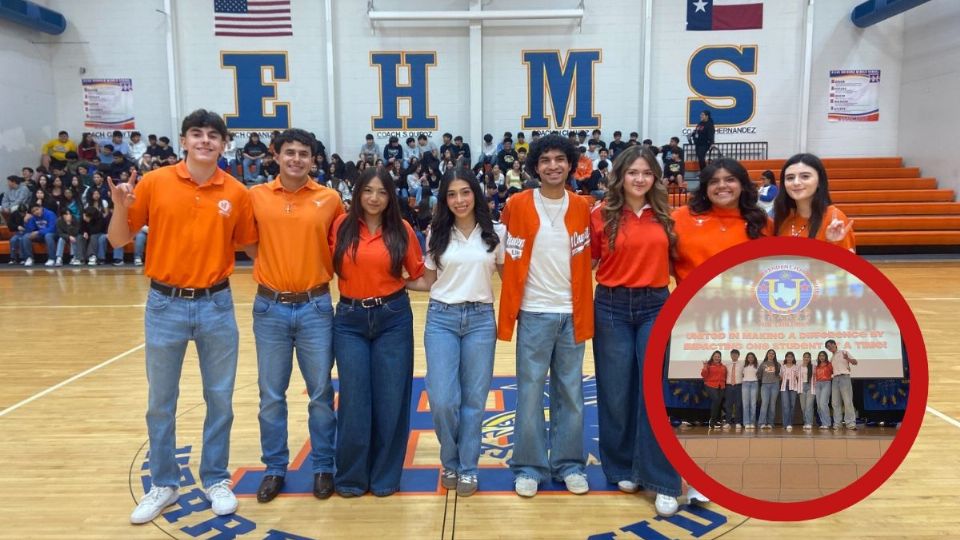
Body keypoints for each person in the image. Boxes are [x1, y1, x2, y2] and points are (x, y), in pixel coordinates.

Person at [109, 109, 258, 525]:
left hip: (216, 303)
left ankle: (215, 479)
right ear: (184, 140)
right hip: (165, 303)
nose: (205, 141)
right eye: (197, 134)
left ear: (224, 144)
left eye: (213, 135)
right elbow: (119, 238)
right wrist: (120, 205)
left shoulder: (237, 192)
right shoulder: (155, 183)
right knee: (161, 401)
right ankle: (164, 483)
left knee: (220, 397)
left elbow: (253, 248)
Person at [246, 129, 344, 503]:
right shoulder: (256, 197)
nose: (297, 159)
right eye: (290, 153)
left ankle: (323, 466)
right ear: (276, 155)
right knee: (271, 395)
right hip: (269, 306)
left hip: (316, 306)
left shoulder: (330, 199)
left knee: (320, 393)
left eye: (304, 153)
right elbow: (248, 243)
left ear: (313, 160)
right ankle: (274, 468)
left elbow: (339, 246)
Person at [589, 145, 684, 516]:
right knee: (615, 391)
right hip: (610, 306)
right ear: (620, 176)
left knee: (652, 393)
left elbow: (684, 264)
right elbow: (589, 261)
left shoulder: (668, 217)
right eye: (633, 172)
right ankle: (622, 465)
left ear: (655, 178)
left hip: (655, 306)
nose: (639, 179)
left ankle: (661, 480)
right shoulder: (600, 214)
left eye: (646, 172)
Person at [497, 134, 593, 498]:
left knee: (570, 392)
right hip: (535, 313)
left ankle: (568, 464)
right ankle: (529, 466)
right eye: (545, 160)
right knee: (531, 391)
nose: (553, 165)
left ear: (570, 164)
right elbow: (504, 257)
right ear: (535, 166)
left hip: (573, 313)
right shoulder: (517, 204)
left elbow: (592, 258)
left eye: (559, 159)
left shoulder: (583, 206)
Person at [405, 168, 504, 497]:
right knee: (444, 400)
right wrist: (389, 282)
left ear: (475, 193)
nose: (459, 200)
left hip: (480, 319)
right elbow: (429, 282)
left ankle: (468, 467)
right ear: (443, 200)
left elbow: (512, 279)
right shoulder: (436, 232)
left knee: (474, 402)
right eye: (451, 194)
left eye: (465, 192)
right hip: (441, 319)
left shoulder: (496, 233)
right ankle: (449, 460)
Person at [330, 167, 424, 497]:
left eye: (382, 192)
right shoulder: (341, 226)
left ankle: (385, 477)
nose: (374, 198)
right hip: (350, 319)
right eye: (368, 191)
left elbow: (418, 275)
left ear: (390, 196)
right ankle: (351, 478)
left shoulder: (403, 230)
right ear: (357, 193)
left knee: (392, 399)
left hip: (393, 317)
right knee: (354, 399)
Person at [671, 158, 771, 282]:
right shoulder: (681, 217)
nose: (722, 186)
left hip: (748, 299)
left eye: (730, 180)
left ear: (743, 185)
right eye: (714, 181)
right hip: (692, 300)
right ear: (705, 189)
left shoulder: (762, 222)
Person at [774, 153, 855, 251]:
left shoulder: (834, 219)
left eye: (805, 176)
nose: (796, 182)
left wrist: (832, 243)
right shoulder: (783, 217)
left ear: (819, 182)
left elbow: (847, 264)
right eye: (790, 178)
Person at [826, 339, 859, 430]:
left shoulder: (844, 352)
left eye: (830, 345)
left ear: (834, 344)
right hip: (835, 379)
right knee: (835, 402)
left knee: (847, 401)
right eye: (828, 347)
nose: (829, 348)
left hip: (844, 378)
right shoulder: (831, 358)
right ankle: (837, 423)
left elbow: (855, 362)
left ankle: (850, 423)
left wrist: (847, 358)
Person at [701, 351, 727, 429]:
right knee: (716, 400)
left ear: (720, 358)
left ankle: (715, 421)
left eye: (718, 356)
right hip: (710, 385)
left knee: (718, 404)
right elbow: (703, 375)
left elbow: (725, 376)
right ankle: (712, 422)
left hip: (721, 386)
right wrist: (705, 366)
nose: (717, 358)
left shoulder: (723, 367)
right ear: (712, 357)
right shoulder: (708, 365)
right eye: (715, 356)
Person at [757, 349, 781, 429]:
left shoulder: (778, 364)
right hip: (765, 386)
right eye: (770, 353)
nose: (771, 355)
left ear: (775, 355)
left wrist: (776, 380)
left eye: (773, 354)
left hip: (775, 385)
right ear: (767, 354)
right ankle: (761, 423)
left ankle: (771, 423)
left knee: (772, 404)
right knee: (764, 404)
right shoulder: (763, 364)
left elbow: (781, 376)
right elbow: (759, 374)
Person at [779, 352, 801, 431]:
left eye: (791, 357)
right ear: (786, 358)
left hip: (793, 387)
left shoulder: (796, 367)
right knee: (785, 406)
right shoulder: (783, 367)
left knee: (792, 405)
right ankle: (786, 424)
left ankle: (790, 423)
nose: (789, 358)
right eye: (788, 357)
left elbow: (798, 378)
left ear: (793, 358)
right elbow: (780, 377)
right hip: (784, 387)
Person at [724, 348, 743, 430]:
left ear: (738, 356)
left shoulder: (742, 364)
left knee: (738, 405)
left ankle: (738, 422)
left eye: (736, 354)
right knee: (728, 405)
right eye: (732, 354)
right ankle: (728, 422)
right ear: (730, 355)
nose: (734, 356)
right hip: (728, 386)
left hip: (739, 386)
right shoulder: (727, 364)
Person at [814, 350, 833, 429]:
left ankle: (827, 423)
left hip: (826, 383)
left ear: (826, 357)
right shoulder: (817, 366)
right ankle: (823, 423)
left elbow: (834, 372)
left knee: (823, 404)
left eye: (823, 356)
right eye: (820, 356)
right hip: (818, 384)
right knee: (819, 405)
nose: (821, 357)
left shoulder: (829, 364)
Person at [741, 352, 760, 429]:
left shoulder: (757, 366)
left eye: (752, 357)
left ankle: (752, 422)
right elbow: (742, 375)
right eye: (749, 357)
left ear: (754, 358)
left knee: (753, 404)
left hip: (754, 384)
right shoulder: (744, 366)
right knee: (746, 404)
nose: (750, 359)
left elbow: (759, 375)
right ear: (747, 358)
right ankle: (746, 423)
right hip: (745, 384)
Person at [799, 352, 817, 430]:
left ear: (810, 358)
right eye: (805, 357)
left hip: (810, 386)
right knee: (803, 407)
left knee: (809, 406)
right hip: (802, 387)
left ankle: (809, 423)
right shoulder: (799, 367)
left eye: (808, 357)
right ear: (803, 358)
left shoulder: (813, 367)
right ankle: (806, 422)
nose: (806, 358)